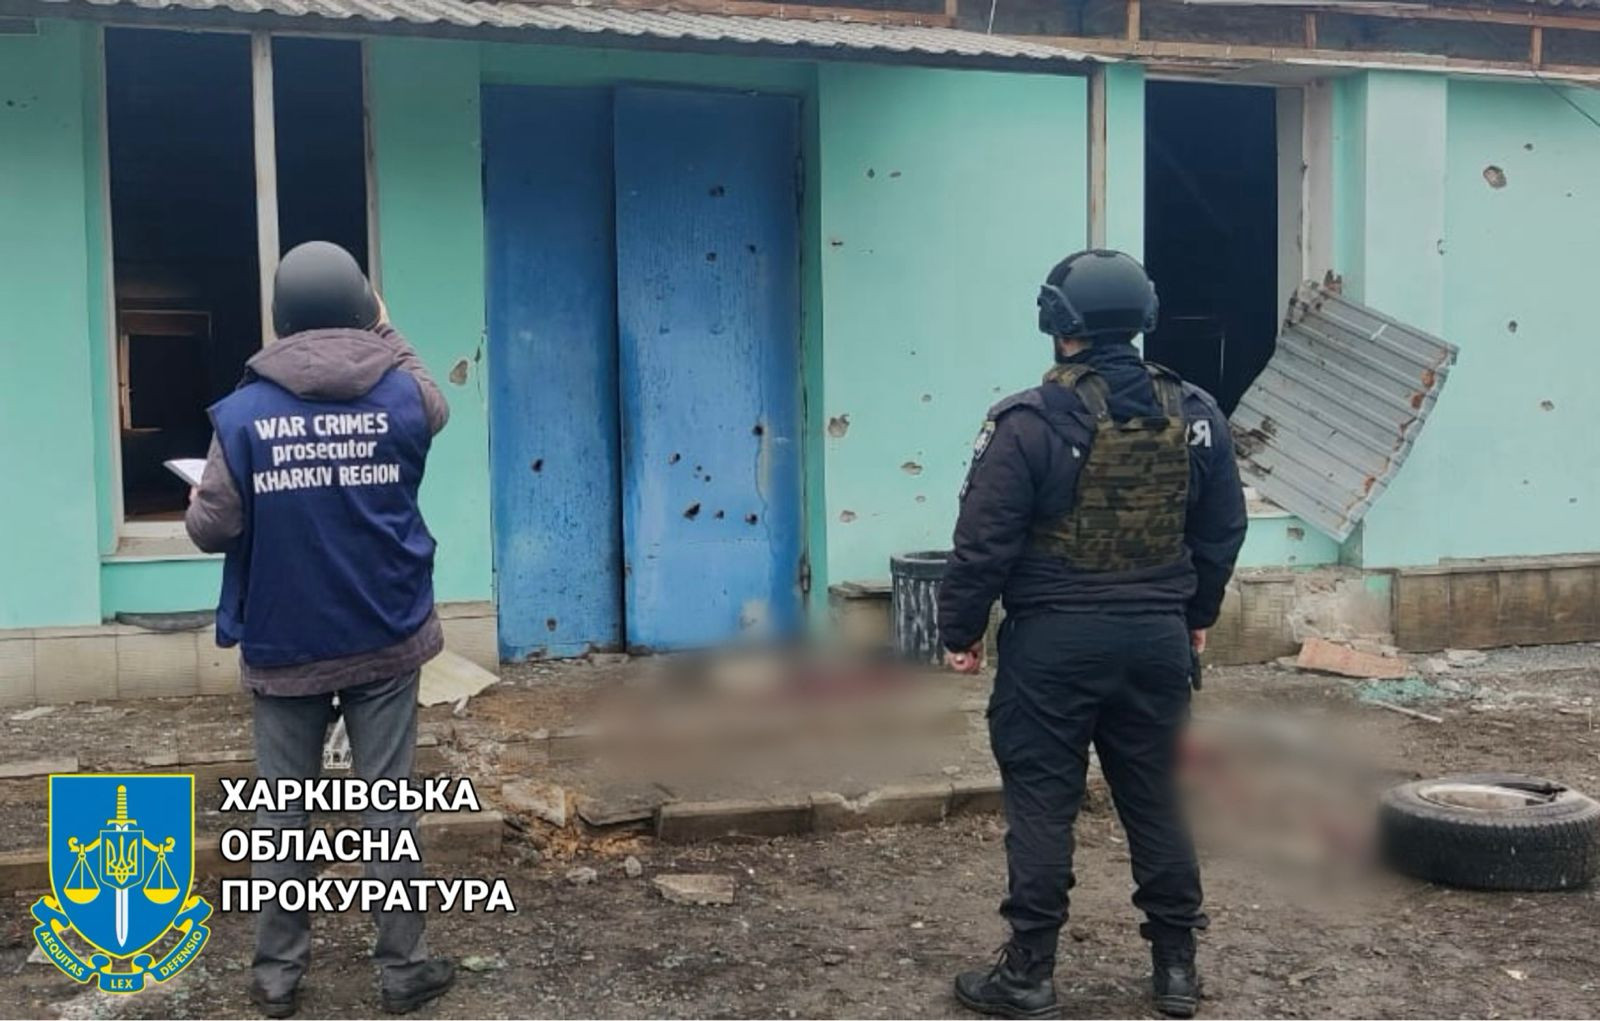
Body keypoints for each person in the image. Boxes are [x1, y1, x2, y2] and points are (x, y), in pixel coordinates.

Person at [939, 249, 1247, 1019]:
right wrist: (1197, 615)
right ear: (1143, 318)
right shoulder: (1198, 414)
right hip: (1156, 641)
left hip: (1053, 644)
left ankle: (1029, 975)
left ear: (1057, 322)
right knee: (1157, 797)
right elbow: (1222, 528)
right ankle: (1176, 970)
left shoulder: (1029, 420)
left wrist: (960, 630)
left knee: (1043, 803)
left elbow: (983, 540)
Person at [186, 240, 456, 1018]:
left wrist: (203, 499)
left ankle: (277, 976)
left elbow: (211, 528)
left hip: (285, 643)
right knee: (387, 805)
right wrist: (384, 325)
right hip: (387, 632)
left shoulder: (243, 414)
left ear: (280, 315)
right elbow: (432, 395)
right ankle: (403, 970)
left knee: (282, 812)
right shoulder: (405, 396)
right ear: (363, 309)